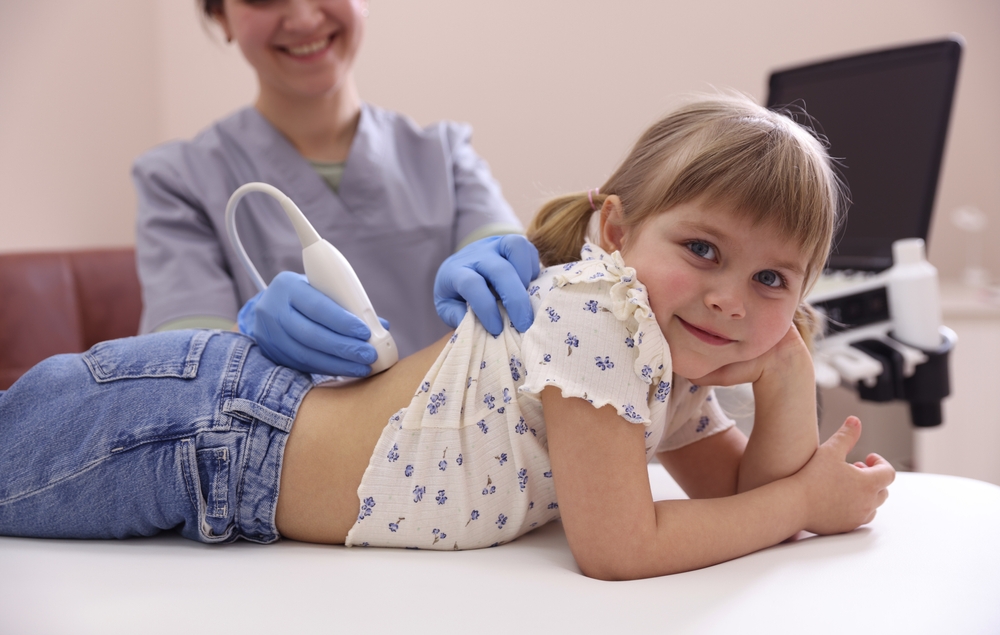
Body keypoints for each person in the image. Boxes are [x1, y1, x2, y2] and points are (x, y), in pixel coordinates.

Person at [1, 95, 895, 580]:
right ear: (615, 232)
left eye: (772, 279)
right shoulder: (603, 312)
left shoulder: (671, 361)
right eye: (702, 248)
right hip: (210, 424)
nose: (731, 299)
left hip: (233, 454)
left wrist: (785, 372)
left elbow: (741, 493)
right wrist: (802, 505)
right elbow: (622, 548)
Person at [133, 0, 538, 377]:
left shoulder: (444, 155)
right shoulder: (178, 182)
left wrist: (505, 261)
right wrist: (244, 335)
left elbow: (512, 264)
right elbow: (182, 378)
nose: (305, 18)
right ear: (221, 14)